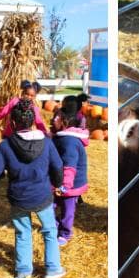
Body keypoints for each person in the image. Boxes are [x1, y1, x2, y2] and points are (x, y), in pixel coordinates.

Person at [0, 101, 66, 278]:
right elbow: (58, 166)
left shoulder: (6, 146)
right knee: (50, 231)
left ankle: (23, 270)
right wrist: (59, 184)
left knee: (22, 232)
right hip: (42, 196)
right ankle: (52, 268)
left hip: (19, 198)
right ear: (34, 122)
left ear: (12, 124)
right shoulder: (46, 142)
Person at [51, 95, 91, 246]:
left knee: (68, 210)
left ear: (65, 122)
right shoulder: (59, 138)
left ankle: (65, 233)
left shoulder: (69, 142)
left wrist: (65, 186)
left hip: (70, 184)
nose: (54, 120)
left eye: (57, 118)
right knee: (50, 206)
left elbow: (70, 166)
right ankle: (53, 227)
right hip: (58, 181)